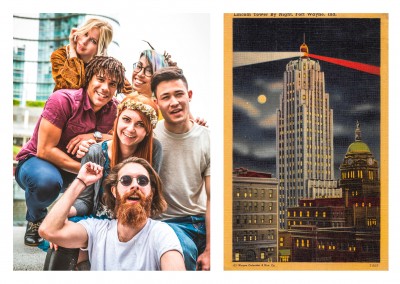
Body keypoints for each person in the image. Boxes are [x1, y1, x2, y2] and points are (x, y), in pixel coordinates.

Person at [15, 55, 126, 247]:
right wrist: (85, 171)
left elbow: (123, 136)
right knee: (45, 183)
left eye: (112, 83)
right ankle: (35, 218)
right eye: (100, 79)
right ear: (89, 78)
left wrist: (95, 135)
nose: (105, 88)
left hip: (80, 171)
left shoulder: (116, 110)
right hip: (38, 163)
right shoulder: (62, 100)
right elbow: (45, 150)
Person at [42, 94, 162, 270]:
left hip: (132, 220)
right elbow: (85, 201)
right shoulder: (96, 152)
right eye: (126, 119)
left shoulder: (155, 149)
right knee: (61, 240)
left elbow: (151, 197)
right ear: (117, 119)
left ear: (148, 130)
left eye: (140, 124)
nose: (130, 129)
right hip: (97, 220)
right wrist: (66, 212)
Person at [38, 158, 186, 271]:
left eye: (142, 180)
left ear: (151, 192)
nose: (135, 185)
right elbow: (49, 230)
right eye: (126, 180)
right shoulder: (96, 229)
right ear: (114, 191)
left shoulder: (161, 233)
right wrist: (81, 181)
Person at [151, 66, 211, 270]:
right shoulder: (150, 137)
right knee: (183, 255)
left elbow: (214, 198)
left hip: (204, 220)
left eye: (179, 94)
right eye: (166, 97)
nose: (174, 102)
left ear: (189, 95)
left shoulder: (208, 138)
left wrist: (211, 249)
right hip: (170, 224)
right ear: (156, 103)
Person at [51, 18, 132, 94]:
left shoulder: (104, 66)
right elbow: (71, 88)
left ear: (100, 47)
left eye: (93, 41)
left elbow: (130, 91)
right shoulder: (60, 55)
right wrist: (72, 50)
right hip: (62, 106)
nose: (84, 42)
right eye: (85, 34)